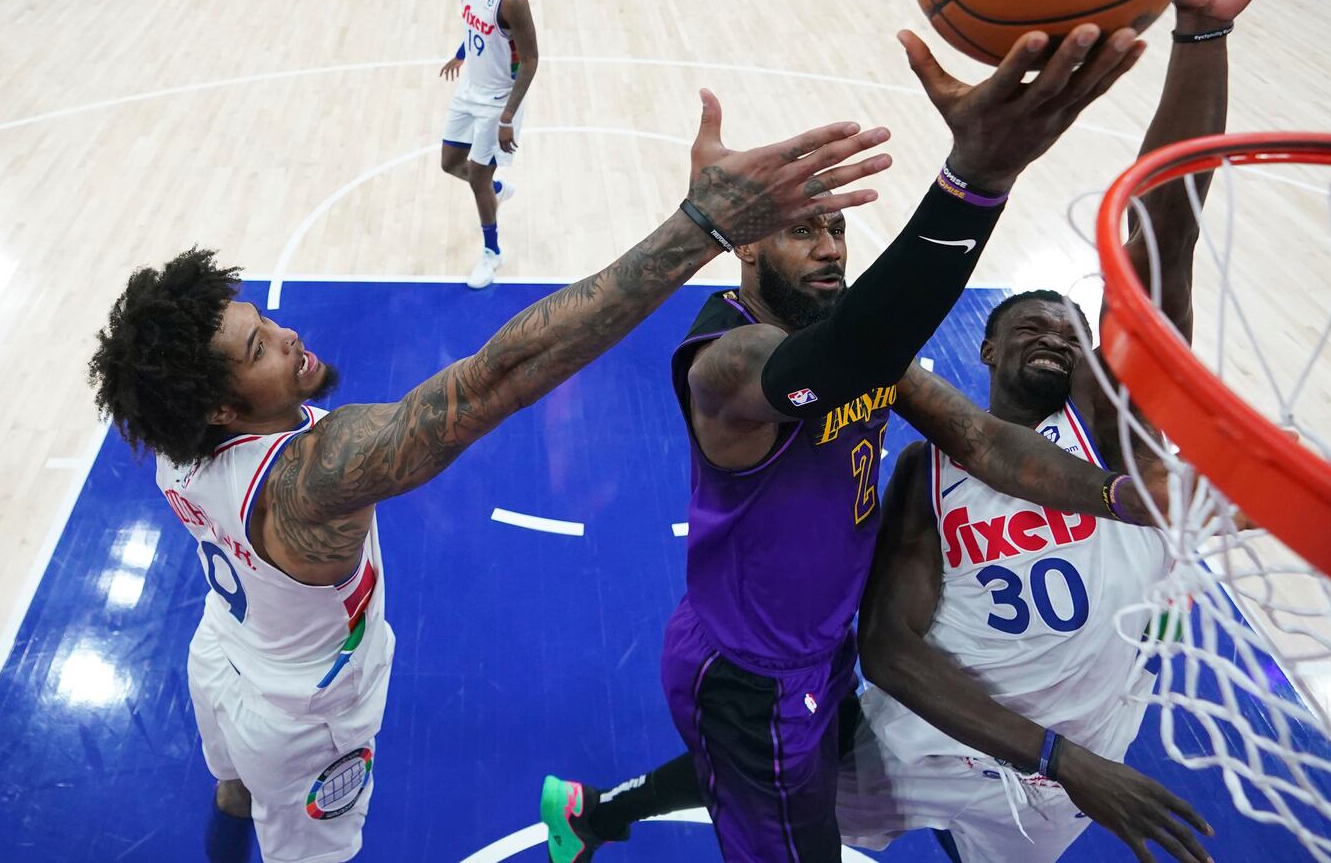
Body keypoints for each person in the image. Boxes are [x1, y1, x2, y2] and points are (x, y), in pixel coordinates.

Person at [538, 0, 1299, 863]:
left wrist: (1131, 494)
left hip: (836, 667)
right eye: (802, 229)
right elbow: (852, 354)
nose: (827, 245)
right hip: (763, 674)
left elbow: (988, 429)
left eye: (838, 231)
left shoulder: (981, 404)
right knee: (783, 801)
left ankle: (592, 810)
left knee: (795, 777)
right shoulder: (726, 364)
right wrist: (973, 180)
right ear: (746, 242)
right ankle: (606, 813)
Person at [86, 98, 892, 863]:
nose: (289, 336)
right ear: (225, 407)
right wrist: (701, 226)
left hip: (223, 652)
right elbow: (497, 377)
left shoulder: (174, 439)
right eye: (261, 348)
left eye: (264, 319)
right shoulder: (312, 480)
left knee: (231, 789)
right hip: (303, 716)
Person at [437, 0, 539, 290]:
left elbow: (530, 60)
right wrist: (461, 53)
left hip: (499, 101)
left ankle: (492, 254)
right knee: (450, 163)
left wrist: (508, 116)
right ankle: (496, 192)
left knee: (478, 176)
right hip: (469, 90)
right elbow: (474, 26)